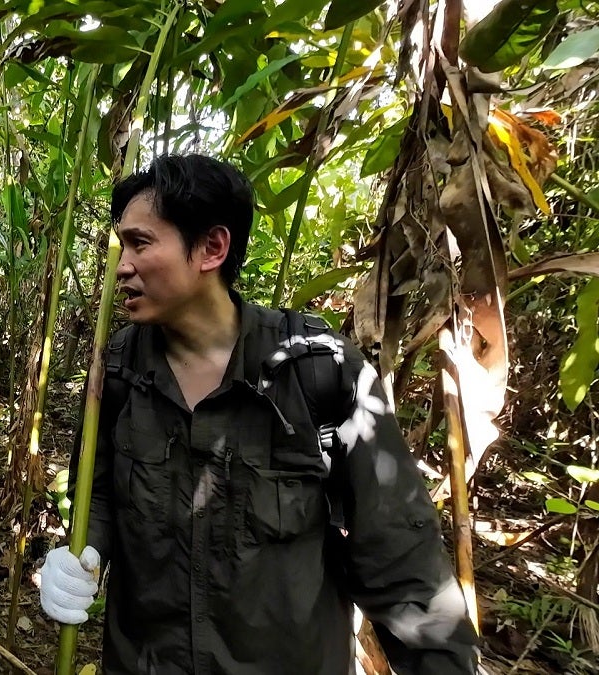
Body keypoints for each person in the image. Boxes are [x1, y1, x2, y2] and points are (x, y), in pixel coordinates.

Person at [37, 155, 478, 674]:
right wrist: (84, 554)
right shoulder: (117, 370)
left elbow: (398, 553)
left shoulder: (318, 370)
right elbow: (104, 493)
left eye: (140, 243)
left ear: (212, 248)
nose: (122, 266)